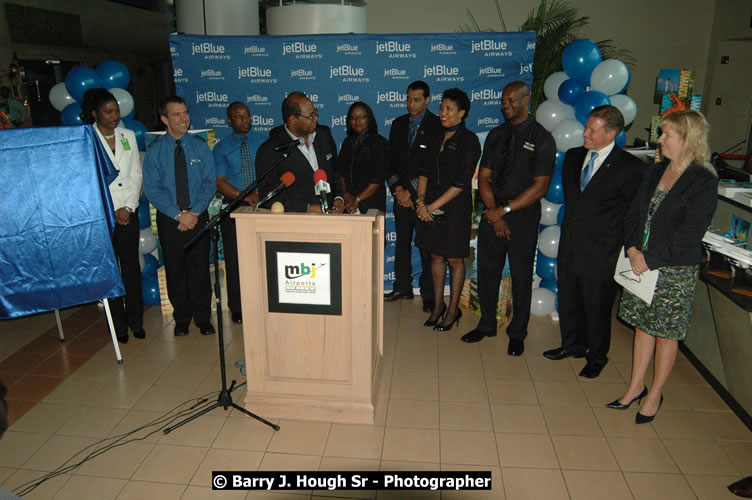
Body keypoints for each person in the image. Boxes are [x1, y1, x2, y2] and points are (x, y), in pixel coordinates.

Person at [609, 110, 717, 423]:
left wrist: (649, 258)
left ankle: (655, 393)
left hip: (673, 268)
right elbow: (632, 214)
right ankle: (635, 386)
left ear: (688, 140)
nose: (661, 140)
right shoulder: (655, 171)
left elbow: (690, 233)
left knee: (666, 333)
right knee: (643, 327)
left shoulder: (703, 181)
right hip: (640, 259)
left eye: (668, 135)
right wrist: (631, 248)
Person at [543, 105, 645, 378]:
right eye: (586, 127)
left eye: (592, 130)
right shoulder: (575, 157)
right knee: (569, 297)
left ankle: (597, 356)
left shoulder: (631, 168)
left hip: (602, 250)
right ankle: (572, 344)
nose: (584, 133)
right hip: (570, 244)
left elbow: (633, 214)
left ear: (612, 133)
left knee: (597, 305)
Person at [461, 81, 555, 356]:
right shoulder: (495, 135)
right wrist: (494, 212)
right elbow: (485, 177)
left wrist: (506, 211)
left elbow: (540, 187)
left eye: (511, 101)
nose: (505, 105)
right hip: (493, 214)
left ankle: (517, 333)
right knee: (487, 272)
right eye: (503, 101)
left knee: (522, 276)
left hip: (522, 217)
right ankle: (487, 323)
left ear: (526, 101)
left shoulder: (542, 138)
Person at [143, 96, 217, 337]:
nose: (183, 118)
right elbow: (152, 189)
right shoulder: (155, 151)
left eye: (185, 113)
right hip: (170, 219)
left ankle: (203, 318)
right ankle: (182, 319)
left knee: (199, 269)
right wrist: (178, 215)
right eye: (176, 114)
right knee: (175, 269)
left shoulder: (200, 146)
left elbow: (208, 183)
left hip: (197, 217)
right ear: (165, 119)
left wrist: (193, 213)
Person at [80, 88, 145, 344]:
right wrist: (112, 209)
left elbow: (136, 175)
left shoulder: (127, 136)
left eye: (116, 110)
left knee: (131, 268)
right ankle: (118, 326)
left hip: (128, 212)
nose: (114, 116)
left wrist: (127, 208)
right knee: (111, 271)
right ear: (95, 113)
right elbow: (88, 181)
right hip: (103, 215)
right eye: (108, 112)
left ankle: (136, 321)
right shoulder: (86, 138)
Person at [415, 88, 481, 332]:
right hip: (429, 206)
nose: (442, 112)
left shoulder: (469, 141)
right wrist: (421, 203)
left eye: (449, 108)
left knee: (454, 258)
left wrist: (431, 206)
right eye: (441, 107)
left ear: (462, 113)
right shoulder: (433, 136)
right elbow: (423, 172)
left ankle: (453, 311)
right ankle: (437, 306)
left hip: (455, 208)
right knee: (434, 255)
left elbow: (462, 183)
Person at [385, 81, 442, 310]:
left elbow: (433, 164)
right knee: (401, 243)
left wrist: (412, 191)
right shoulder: (398, 124)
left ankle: (428, 293)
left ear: (427, 100)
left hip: (424, 198)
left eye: (416, 99)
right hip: (401, 197)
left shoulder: (437, 126)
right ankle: (402, 286)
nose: (411, 103)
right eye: (408, 99)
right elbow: (390, 162)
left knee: (426, 245)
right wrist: (398, 190)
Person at [213, 102, 266, 324]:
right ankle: (237, 307)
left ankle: (263, 302)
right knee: (235, 259)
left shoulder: (263, 142)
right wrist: (243, 196)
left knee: (262, 257)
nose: (245, 120)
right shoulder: (222, 148)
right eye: (238, 116)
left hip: (263, 205)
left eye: (247, 116)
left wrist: (259, 196)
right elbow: (219, 182)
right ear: (229, 120)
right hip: (233, 206)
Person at [256, 91, 344, 213]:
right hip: (295, 222)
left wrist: (339, 198)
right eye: (311, 116)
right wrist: (307, 208)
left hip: (330, 218)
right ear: (293, 119)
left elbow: (335, 172)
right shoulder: (271, 149)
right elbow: (268, 194)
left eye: (316, 113)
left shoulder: (324, 136)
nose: (316, 119)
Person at [335, 101, 388, 214]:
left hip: (372, 204)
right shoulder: (347, 142)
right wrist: (346, 195)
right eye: (353, 117)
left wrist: (357, 199)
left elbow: (377, 179)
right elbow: (340, 172)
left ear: (369, 119)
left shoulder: (379, 142)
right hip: (348, 204)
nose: (357, 121)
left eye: (362, 117)